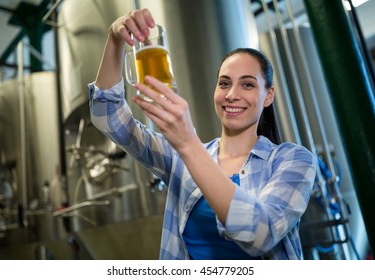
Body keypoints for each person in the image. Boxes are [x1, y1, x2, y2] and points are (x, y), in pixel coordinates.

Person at [88, 9, 316, 260]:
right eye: (224, 83)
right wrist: (115, 38)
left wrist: (188, 143)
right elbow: (107, 117)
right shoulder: (177, 158)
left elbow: (261, 234)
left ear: (268, 96)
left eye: (248, 84)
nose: (231, 95)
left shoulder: (292, 160)